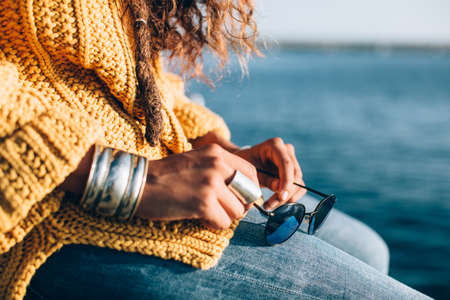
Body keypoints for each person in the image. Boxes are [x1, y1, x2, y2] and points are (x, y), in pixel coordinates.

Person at [0, 0, 431, 299]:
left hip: (149, 165)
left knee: (369, 247)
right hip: (43, 208)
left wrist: (216, 146)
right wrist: (127, 179)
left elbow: (141, 86)